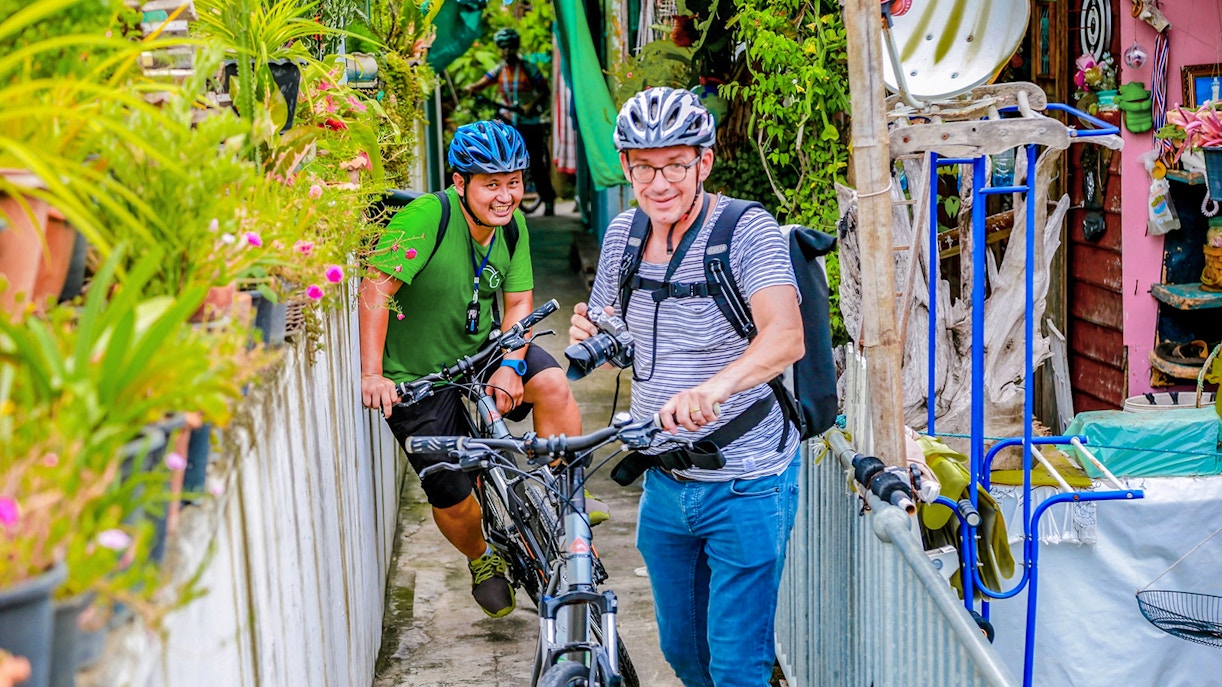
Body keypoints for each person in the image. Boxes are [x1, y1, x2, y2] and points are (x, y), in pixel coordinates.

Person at [569, 87, 805, 687]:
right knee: (680, 653)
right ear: (625, 166)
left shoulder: (746, 229)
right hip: (666, 481)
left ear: (703, 161)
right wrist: (594, 336)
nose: (660, 182)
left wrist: (716, 389)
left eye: (675, 164)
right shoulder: (624, 233)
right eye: (644, 167)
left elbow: (785, 337)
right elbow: (618, 331)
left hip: (747, 481)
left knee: (734, 665)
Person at [359, 119, 581, 618]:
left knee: (551, 384)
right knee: (455, 495)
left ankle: (565, 500)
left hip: (481, 350)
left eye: (514, 182)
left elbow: (518, 299)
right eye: (492, 184)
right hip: (416, 376)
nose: (506, 197)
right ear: (460, 183)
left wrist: (510, 362)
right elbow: (375, 288)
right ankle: (483, 559)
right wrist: (373, 375)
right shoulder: (424, 218)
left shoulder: (513, 225)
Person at [463, 27, 556, 216]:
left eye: (510, 47)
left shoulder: (528, 68)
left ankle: (548, 199)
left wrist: (531, 104)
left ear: (516, 47)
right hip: (509, 123)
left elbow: (544, 90)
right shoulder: (500, 70)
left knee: (536, 163)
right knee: (506, 163)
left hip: (529, 123)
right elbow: (482, 83)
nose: (507, 51)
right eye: (503, 48)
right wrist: (472, 88)